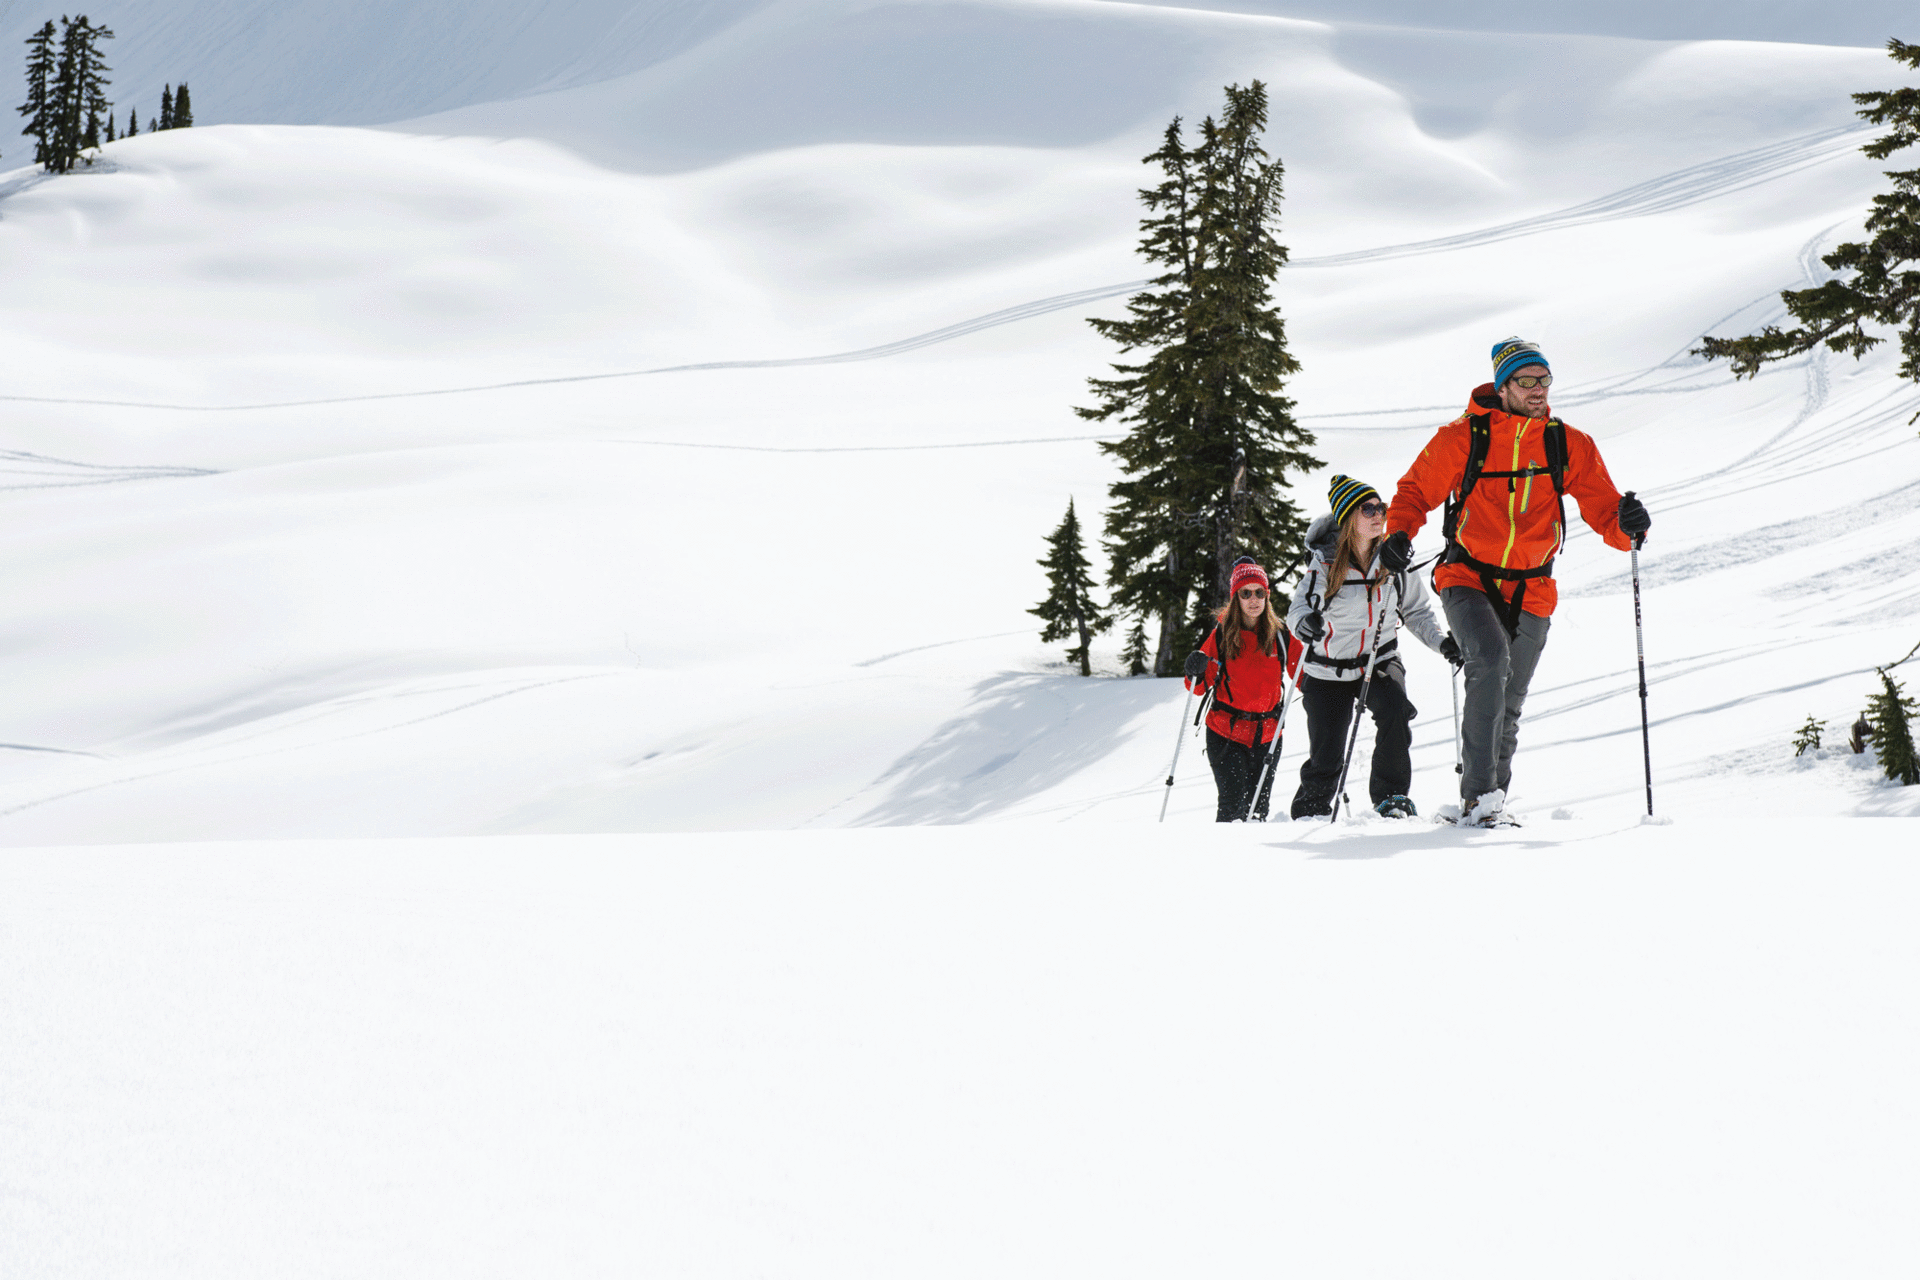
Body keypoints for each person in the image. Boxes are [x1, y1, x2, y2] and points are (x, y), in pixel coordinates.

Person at [1378, 337, 1651, 827]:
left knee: (1510, 702)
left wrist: (1629, 524)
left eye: (1544, 380)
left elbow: (1604, 507)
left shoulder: (1567, 443)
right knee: (1489, 661)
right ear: (1503, 387)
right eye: (1527, 382)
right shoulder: (1463, 437)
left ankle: (1492, 803)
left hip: (1533, 586)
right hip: (1467, 575)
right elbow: (1415, 490)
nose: (1538, 390)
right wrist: (1398, 532)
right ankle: (1478, 800)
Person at [1285, 474, 1449, 819]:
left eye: (1381, 507)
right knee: (1327, 752)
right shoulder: (1324, 565)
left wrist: (1442, 643)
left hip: (1379, 658)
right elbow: (1296, 611)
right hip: (1327, 668)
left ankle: (1391, 798)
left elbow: (1417, 611)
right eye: (1368, 508)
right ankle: (1311, 810)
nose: (1378, 515)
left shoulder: (1393, 561)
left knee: (1395, 710)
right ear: (1348, 519)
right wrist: (1306, 624)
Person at [1181, 556, 1299, 822]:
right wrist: (1194, 670)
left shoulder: (1280, 634)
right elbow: (1197, 688)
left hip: (1268, 736)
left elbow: (1304, 673)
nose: (1253, 599)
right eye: (1246, 593)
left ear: (1267, 596)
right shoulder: (1222, 634)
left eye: (1259, 592)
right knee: (1233, 808)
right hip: (1226, 734)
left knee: (1258, 811)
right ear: (1236, 597)